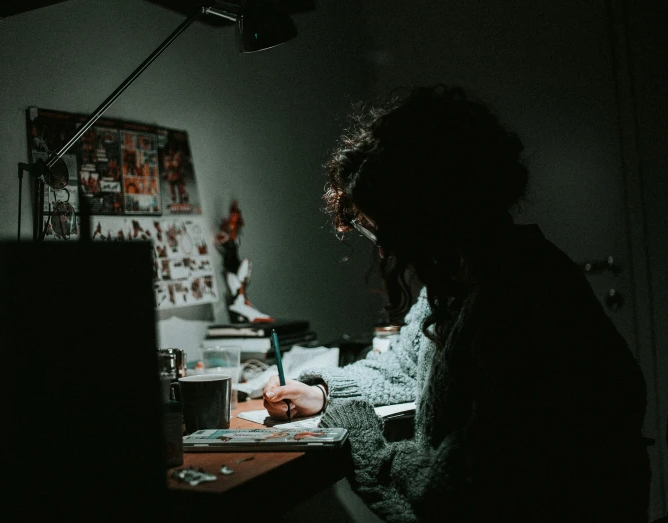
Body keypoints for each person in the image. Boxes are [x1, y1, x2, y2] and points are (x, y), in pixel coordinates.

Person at [262, 85, 650, 522]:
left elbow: (449, 492)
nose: (386, 253)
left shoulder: (518, 300)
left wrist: (354, 429)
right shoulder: (458, 280)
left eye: (383, 230)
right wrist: (321, 391)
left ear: (431, 212)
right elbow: (405, 366)